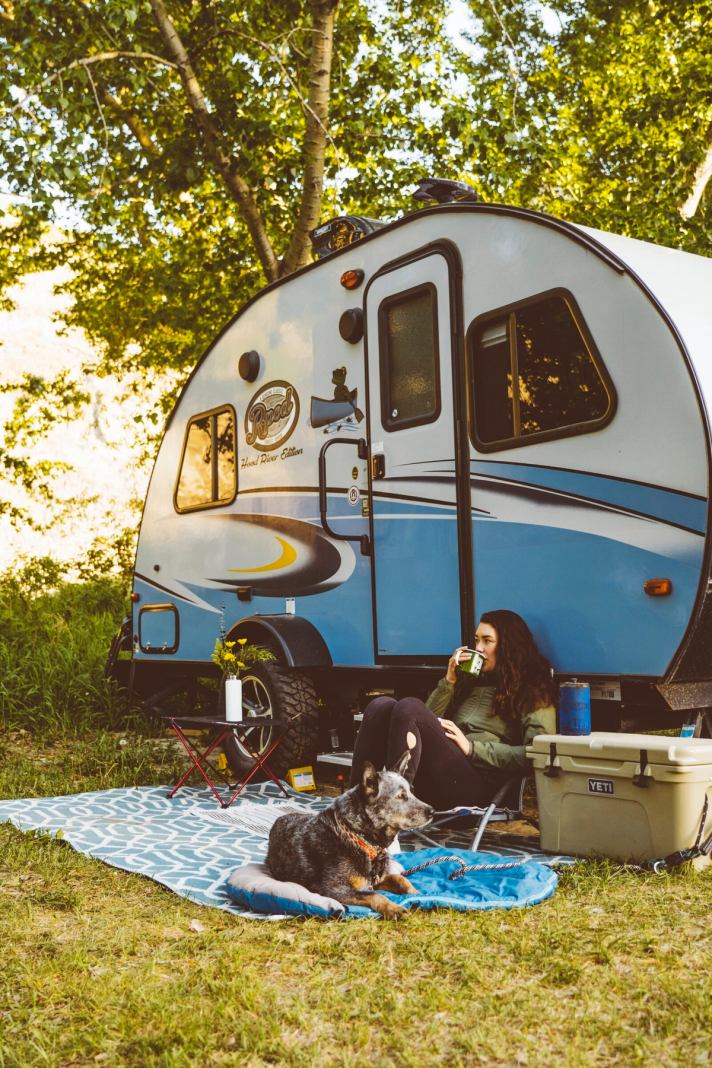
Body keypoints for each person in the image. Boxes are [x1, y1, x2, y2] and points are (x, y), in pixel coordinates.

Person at [350, 609, 557, 810]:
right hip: (443, 775)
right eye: (476, 640)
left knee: (409, 705)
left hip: (478, 787)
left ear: (508, 646)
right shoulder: (472, 683)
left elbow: (537, 754)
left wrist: (471, 748)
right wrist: (450, 680)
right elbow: (416, 720)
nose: (479, 648)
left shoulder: (533, 689)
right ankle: (353, 805)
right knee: (381, 705)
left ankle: (395, 809)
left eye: (487, 641)